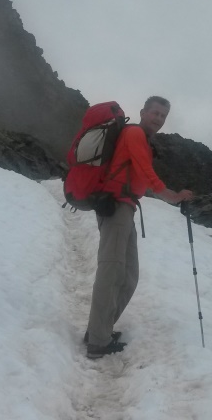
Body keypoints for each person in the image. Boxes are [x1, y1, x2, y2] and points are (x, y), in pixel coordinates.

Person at [84, 96, 193, 359]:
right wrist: (172, 196)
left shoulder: (141, 137)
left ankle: (100, 330)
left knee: (129, 276)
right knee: (111, 273)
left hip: (126, 208)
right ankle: (97, 341)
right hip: (116, 208)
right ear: (143, 112)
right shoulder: (134, 134)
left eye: (163, 116)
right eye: (155, 113)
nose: (158, 119)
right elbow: (145, 172)